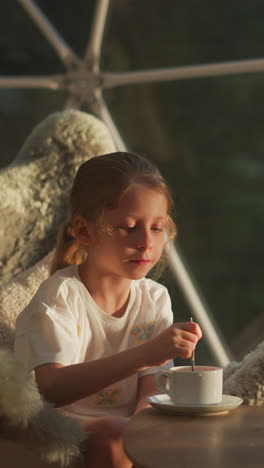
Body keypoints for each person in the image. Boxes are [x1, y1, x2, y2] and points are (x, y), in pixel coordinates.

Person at [14, 152, 202, 468]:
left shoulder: (155, 299)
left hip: (124, 426)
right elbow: (50, 390)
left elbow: (152, 392)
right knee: (115, 434)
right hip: (52, 427)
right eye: (128, 227)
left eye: (157, 228)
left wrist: (145, 430)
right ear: (85, 232)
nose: (146, 242)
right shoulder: (62, 295)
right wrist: (146, 354)